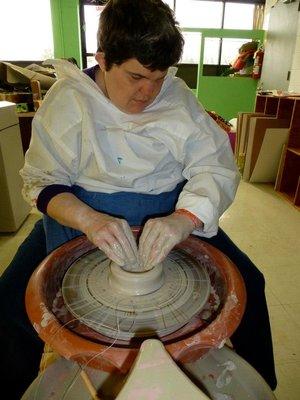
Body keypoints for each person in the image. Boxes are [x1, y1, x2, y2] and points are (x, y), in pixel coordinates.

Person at [0, 0, 277, 397]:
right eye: (135, 77)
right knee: (10, 302)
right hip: (78, 213)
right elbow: (43, 183)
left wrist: (184, 219)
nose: (147, 93)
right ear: (102, 59)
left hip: (168, 212)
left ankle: (263, 387)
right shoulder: (69, 98)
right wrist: (89, 219)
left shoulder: (177, 99)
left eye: (158, 78)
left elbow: (214, 167)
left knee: (250, 283)